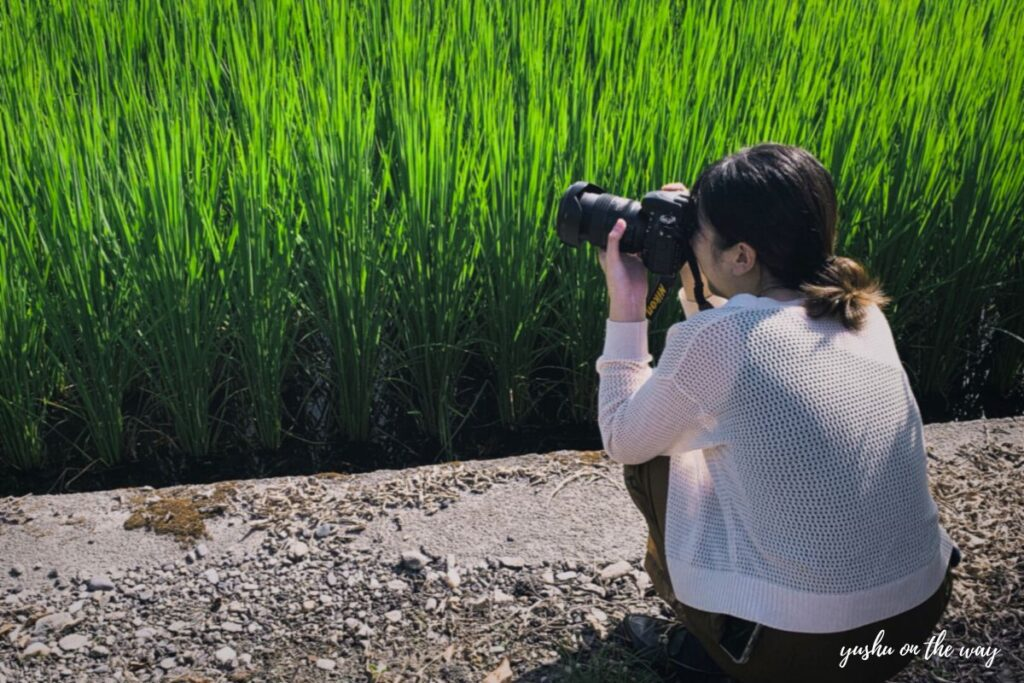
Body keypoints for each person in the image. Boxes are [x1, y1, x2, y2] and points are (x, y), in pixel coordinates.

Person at [595, 143, 960, 683]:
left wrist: (627, 305)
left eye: (697, 230)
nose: (687, 238)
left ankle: (716, 644)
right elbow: (732, 371)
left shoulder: (722, 341)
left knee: (654, 454)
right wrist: (699, 284)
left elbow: (623, 435)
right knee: (699, 426)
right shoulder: (860, 311)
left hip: (810, 654)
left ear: (742, 256)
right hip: (914, 617)